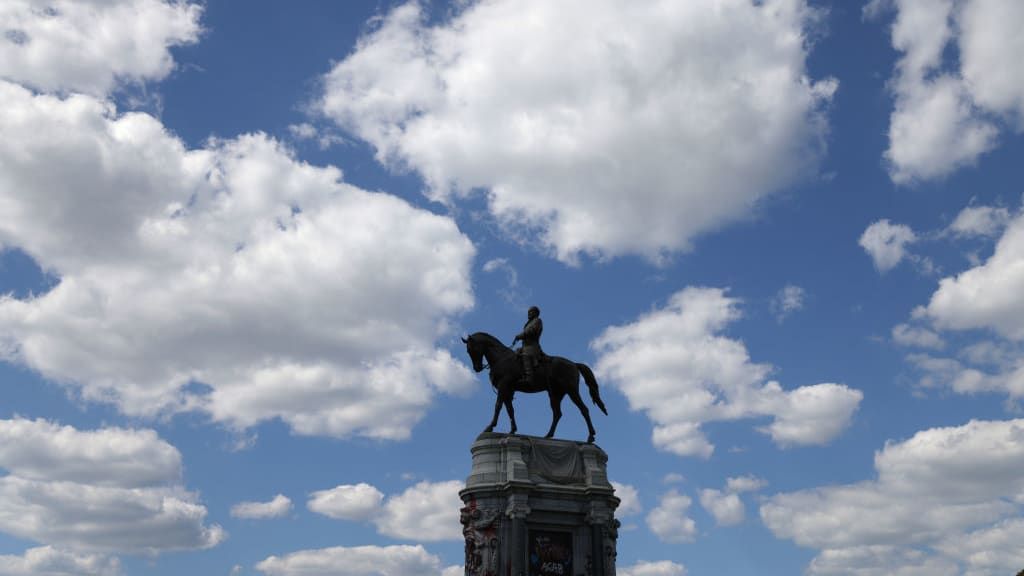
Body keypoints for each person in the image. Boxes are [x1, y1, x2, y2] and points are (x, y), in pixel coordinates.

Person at [513, 306, 543, 385]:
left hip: (532, 346)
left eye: (531, 312)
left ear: (536, 313)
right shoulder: (527, 324)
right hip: (525, 346)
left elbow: (532, 331)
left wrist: (520, 336)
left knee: (525, 355)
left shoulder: (537, 321)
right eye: (528, 312)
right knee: (514, 353)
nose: (529, 314)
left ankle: (529, 377)